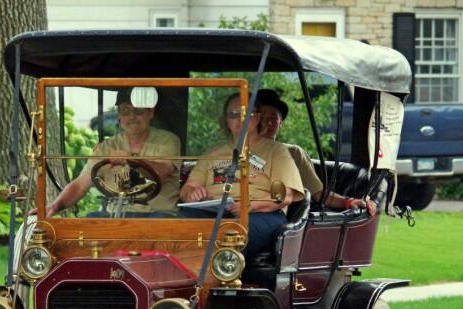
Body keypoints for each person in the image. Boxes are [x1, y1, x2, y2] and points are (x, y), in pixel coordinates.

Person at [179, 93, 304, 258]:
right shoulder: (212, 152)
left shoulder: (276, 151)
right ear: (226, 120)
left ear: (258, 117)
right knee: (173, 223)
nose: (240, 119)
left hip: (262, 214)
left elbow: (285, 195)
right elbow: (187, 189)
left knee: (231, 231)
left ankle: (221, 280)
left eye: (247, 113)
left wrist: (249, 206)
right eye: (233, 114)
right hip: (213, 212)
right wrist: (192, 194)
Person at [46, 87, 181, 217]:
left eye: (138, 110)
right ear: (119, 116)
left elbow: (162, 173)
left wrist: (133, 162)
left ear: (150, 112)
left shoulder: (168, 140)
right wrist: (54, 207)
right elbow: (81, 184)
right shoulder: (107, 147)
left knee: (162, 223)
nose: (132, 116)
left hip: (157, 215)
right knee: (91, 220)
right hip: (115, 215)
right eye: (125, 111)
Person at [256, 88, 377, 216]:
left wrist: (349, 202)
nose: (267, 123)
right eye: (261, 117)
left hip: (269, 214)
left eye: (273, 118)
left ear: (281, 123)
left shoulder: (293, 153)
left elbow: (318, 193)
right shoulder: (239, 150)